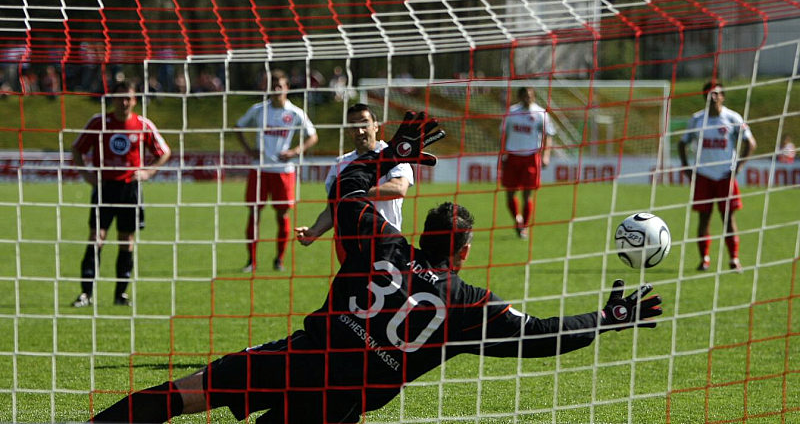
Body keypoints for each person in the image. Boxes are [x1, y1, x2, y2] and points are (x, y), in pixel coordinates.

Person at [91, 111, 662, 424]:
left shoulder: (383, 245)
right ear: (463, 252)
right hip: (340, 402)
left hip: (295, 357)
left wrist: (389, 154)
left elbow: (348, 194)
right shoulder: (466, 305)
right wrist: (607, 318)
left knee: (183, 394)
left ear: (424, 235)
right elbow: (542, 337)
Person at [71, 80, 171, 307]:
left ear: (135, 101)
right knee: (97, 237)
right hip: (105, 187)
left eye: (128, 98)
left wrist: (148, 172)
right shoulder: (99, 122)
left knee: (127, 240)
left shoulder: (142, 124)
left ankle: (120, 294)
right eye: (119, 97)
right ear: (112, 99)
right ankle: (86, 293)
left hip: (130, 189)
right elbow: (77, 148)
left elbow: (164, 152)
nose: (123, 102)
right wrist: (86, 174)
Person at [295, 103, 414, 264]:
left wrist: (353, 192)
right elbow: (334, 207)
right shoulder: (340, 164)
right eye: (353, 126)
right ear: (348, 131)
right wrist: (315, 231)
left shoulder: (394, 155)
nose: (360, 131)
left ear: (376, 126)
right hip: (348, 245)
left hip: (384, 242)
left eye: (364, 124)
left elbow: (399, 188)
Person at [235, 69, 318, 272]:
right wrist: (248, 150)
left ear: (287, 88)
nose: (276, 90)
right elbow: (238, 127)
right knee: (254, 213)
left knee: (282, 215)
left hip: (283, 171)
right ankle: (251, 261)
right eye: (272, 86)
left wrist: (295, 151)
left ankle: (279, 259)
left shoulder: (295, 112)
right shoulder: (258, 110)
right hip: (260, 170)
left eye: (280, 86)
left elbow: (313, 136)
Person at [678, 80, 757, 273]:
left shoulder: (732, 118)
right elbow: (682, 143)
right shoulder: (697, 119)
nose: (712, 96)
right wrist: (687, 167)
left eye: (716, 93)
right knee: (704, 218)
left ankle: (734, 259)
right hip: (704, 175)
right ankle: (704, 259)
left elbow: (750, 143)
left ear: (723, 96)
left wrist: (739, 166)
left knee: (728, 218)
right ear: (703, 96)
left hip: (725, 176)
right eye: (708, 93)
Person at [499, 86, 556, 239]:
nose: (528, 98)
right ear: (519, 97)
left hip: (531, 157)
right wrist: (502, 154)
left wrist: (546, 155)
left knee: (527, 194)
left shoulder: (541, 113)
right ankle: (517, 220)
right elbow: (503, 134)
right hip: (512, 156)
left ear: (534, 96)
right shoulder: (511, 112)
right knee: (510, 194)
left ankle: (524, 226)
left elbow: (548, 135)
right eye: (525, 95)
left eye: (530, 95)